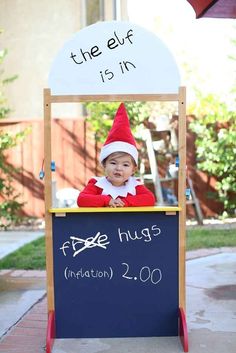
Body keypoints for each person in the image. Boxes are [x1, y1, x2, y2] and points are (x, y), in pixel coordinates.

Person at [77, 103, 156, 207]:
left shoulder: (135, 185)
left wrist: (126, 202)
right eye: (113, 163)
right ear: (104, 164)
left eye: (125, 165)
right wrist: (107, 201)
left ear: (133, 169)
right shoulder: (96, 184)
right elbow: (82, 200)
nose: (119, 168)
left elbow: (150, 199)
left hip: (129, 224)